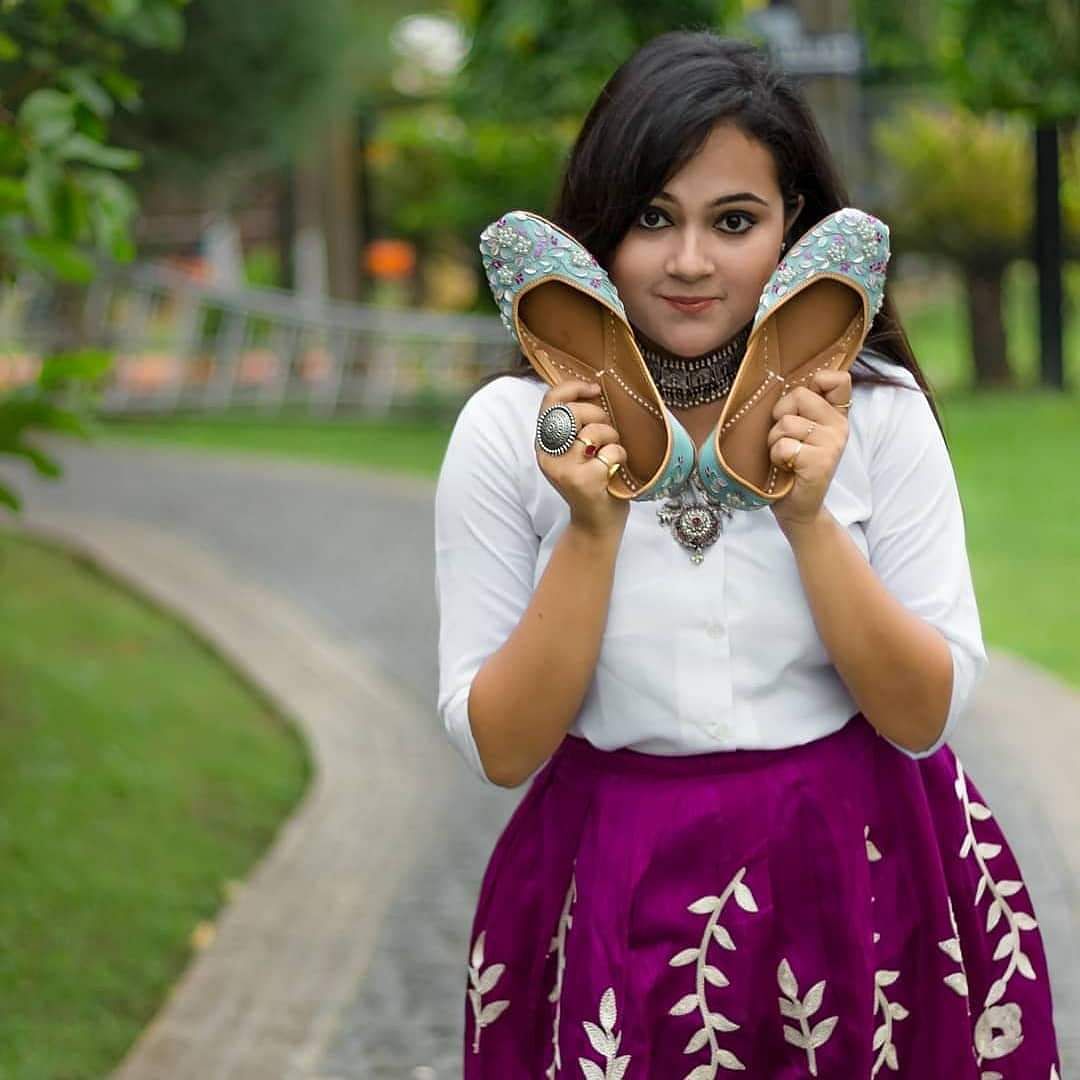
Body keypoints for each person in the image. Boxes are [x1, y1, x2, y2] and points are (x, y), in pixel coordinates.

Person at [434, 31, 1061, 1078]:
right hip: (612, 874)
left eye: (734, 221)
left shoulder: (878, 417)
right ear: (594, 232)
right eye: (651, 217)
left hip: (865, 867)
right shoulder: (510, 430)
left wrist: (810, 515)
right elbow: (503, 749)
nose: (689, 262)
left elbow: (921, 716)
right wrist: (593, 530)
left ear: (794, 232)